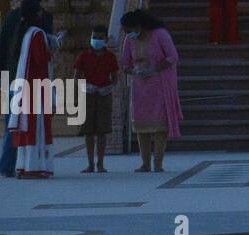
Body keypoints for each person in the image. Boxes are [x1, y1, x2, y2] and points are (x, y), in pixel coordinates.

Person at [0, 0, 53, 176]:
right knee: (29, 124)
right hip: (32, 80)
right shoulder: (40, 21)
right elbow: (44, 50)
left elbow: (2, 45)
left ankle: (9, 164)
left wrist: (1, 72)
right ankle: (27, 163)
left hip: (12, 76)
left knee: (13, 121)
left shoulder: (12, 16)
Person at [120, 10, 182, 173]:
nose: (128, 34)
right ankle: (145, 162)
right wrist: (134, 71)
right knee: (141, 125)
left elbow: (173, 56)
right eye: (126, 31)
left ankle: (158, 163)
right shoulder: (129, 39)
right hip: (140, 86)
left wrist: (154, 69)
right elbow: (125, 63)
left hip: (160, 83)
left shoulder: (160, 34)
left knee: (159, 126)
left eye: (130, 30)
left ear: (139, 26)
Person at [7, 0, 62, 179]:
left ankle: (24, 166)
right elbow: (40, 59)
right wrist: (53, 49)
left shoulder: (26, 33)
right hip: (37, 87)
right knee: (36, 127)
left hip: (27, 86)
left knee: (26, 126)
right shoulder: (37, 34)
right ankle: (34, 167)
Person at [73, 25, 117, 173]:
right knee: (88, 132)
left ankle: (101, 163)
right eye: (94, 37)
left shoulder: (110, 57)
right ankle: (90, 163)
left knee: (102, 131)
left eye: (100, 38)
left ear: (106, 39)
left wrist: (109, 88)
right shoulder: (84, 56)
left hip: (104, 95)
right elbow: (77, 76)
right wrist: (83, 88)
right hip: (88, 94)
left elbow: (115, 78)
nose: (96, 40)